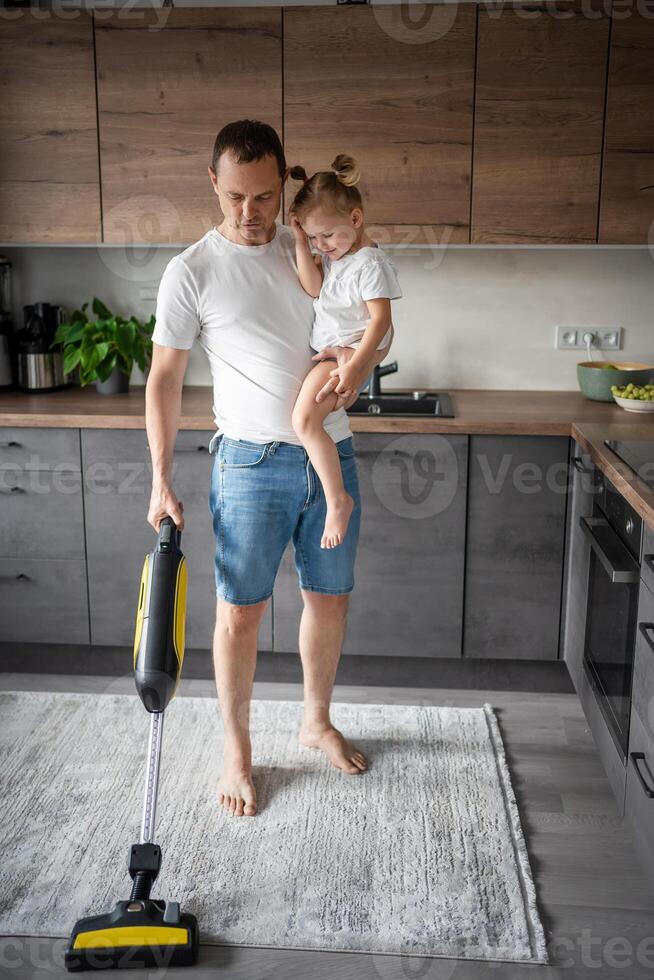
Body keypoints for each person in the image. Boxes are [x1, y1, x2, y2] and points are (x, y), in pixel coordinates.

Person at [145, 120, 393, 818]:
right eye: (235, 199)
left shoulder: (315, 240)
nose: (250, 214)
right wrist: (160, 478)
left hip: (330, 456)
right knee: (240, 616)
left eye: (262, 197)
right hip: (249, 464)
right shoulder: (191, 271)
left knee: (329, 599)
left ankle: (315, 721)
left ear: (283, 185)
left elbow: (375, 316)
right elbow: (163, 380)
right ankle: (237, 750)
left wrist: (360, 365)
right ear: (214, 187)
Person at [288, 155, 402, 549]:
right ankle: (337, 498)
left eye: (328, 236)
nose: (323, 246)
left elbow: (381, 321)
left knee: (304, 422)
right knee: (306, 422)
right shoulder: (340, 256)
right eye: (315, 238)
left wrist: (354, 366)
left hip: (353, 351)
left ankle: (338, 501)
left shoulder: (368, 262)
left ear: (356, 219)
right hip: (342, 350)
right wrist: (304, 243)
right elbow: (313, 288)